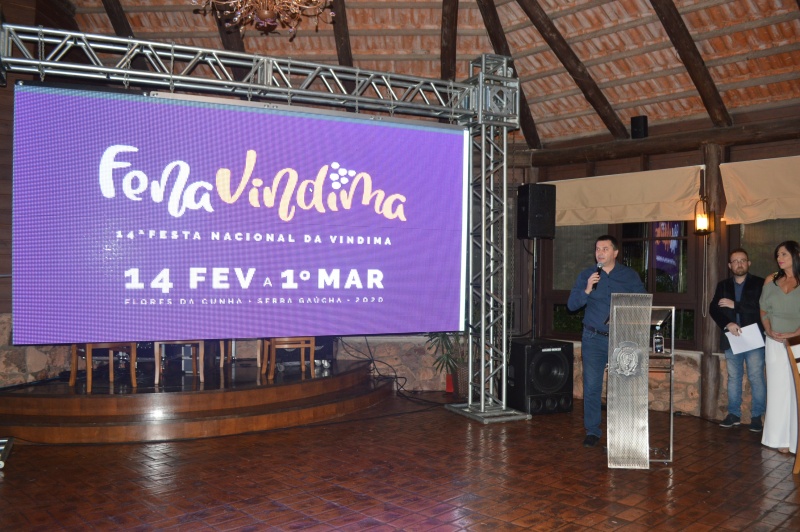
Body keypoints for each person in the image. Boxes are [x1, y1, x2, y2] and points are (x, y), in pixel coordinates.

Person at [568, 235, 646, 448]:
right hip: (593, 338)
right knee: (592, 387)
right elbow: (572, 305)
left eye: (605, 249)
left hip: (622, 338)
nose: (600, 253)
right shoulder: (587, 275)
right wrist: (587, 289)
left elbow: (643, 303)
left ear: (615, 252)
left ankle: (622, 431)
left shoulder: (629, 276)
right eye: (597, 249)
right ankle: (593, 431)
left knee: (623, 388)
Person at [709, 248, 766, 432]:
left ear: (748, 263)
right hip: (732, 338)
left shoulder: (760, 283)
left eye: (742, 260)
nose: (739, 264)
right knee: (734, 378)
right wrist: (727, 324)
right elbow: (713, 309)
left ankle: (757, 417)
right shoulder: (723, 285)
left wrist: (736, 305)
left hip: (754, 338)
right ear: (729, 265)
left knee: (756, 377)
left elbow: (762, 309)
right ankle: (733, 414)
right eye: (735, 261)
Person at [760, 240, 800, 454]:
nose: (779, 258)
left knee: (796, 390)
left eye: (784, 254)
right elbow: (763, 309)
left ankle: (796, 441)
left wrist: (794, 334)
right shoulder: (771, 280)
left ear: (796, 255)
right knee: (777, 390)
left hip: (798, 342)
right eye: (778, 255)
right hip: (774, 342)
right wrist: (768, 330)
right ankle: (779, 439)